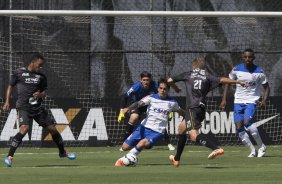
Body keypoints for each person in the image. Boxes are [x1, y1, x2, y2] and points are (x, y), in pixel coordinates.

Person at [167, 57, 248, 167]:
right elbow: (222, 80)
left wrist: (175, 89)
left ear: (193, 65)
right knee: (181, 128)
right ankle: (176, 159)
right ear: (203, 67)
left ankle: (216, 148)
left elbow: (169, 80)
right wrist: (238, 81)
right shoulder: (207, 76)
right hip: (201, 108)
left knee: (193, 135)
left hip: (192, 107)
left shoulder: (188, 74)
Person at [2, 53, 76, 167]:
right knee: (24, 129)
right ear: (33, 62)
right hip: (23, 107)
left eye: (42, 66)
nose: (41, 67)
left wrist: (40, 94)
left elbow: (44, 93)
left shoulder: (41, 76)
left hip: (37, 108)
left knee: (53, 129)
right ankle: (9, 157)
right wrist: (7, 101)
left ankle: (62, 152)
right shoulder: (19, 73)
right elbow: (10, 86)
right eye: (39, 65)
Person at [115, 79, 184, 166]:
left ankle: (125, 159)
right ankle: (138, 149)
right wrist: (128, 108)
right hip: (144, 127)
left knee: (142, 143)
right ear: (158, 88)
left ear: (168, 90)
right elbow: (138, 103)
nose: (162, 90)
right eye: (160, 88)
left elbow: (181, 112)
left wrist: (188, 119)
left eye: (165, 89)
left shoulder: (172, 102)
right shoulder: (151, 97)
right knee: (124, 147)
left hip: (157, 131)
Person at [220, 48, 270, 158]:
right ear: (243, 57)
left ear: (253, 58)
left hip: (251, 101)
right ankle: (252, 151)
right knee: (239, 128)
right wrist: (224, 99)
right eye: (246, 57)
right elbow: (227, 83)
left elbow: (266, 87)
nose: (248, 59)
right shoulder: (236, 69)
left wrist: (264, 100)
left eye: (250, 57)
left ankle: (261, 146)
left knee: (247, 123)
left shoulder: (259, 72)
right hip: (238, 101)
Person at [118, 71, 175, 151]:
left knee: (158, 120)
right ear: (141, 80)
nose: (146, 82)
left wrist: (169, 110)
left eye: (147, 80)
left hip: (150, 105)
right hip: (138, 104)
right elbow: (125, 96)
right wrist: (122, 110)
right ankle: (125, 142)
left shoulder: (155, 86)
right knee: (133, 118)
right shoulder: (136, 87)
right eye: (144, 80)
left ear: (150, 80)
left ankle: (169, 143)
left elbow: (165, 95)